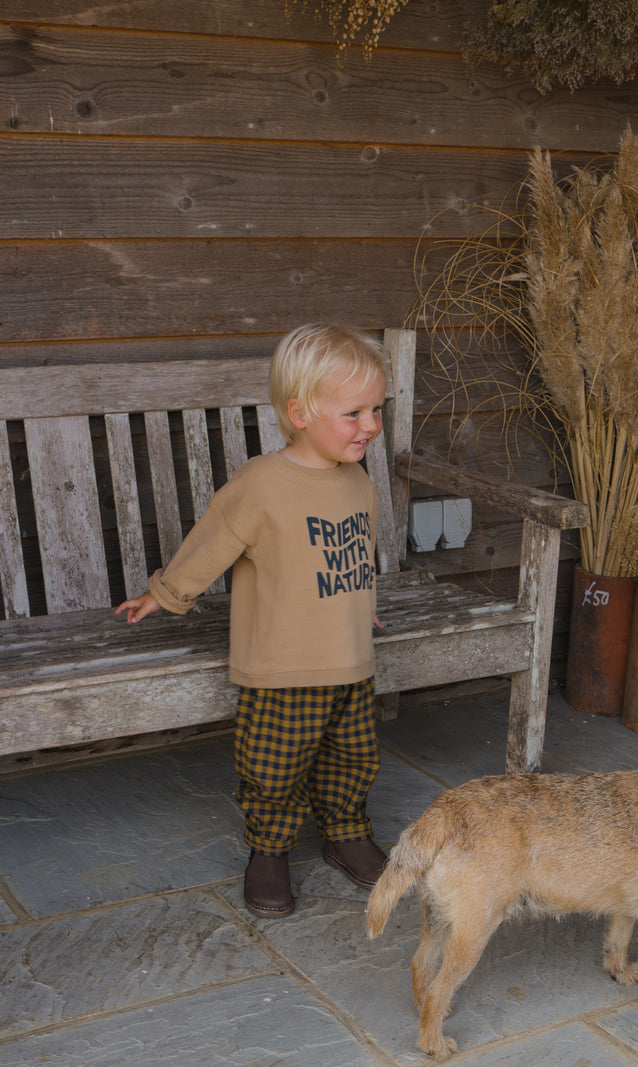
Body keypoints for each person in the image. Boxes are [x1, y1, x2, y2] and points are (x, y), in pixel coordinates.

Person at [116, 323, 389, 917]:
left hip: (348, 659)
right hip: (282, 666)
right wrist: (162, 593)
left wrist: (363, 609)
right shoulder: (261, 485)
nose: (370, 425)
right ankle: (269, 850)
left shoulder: (357, 481)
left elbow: (358, 554)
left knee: (353, 754)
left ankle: (346, 833)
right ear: (299, 412)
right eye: (354, 412)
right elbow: (211, 543)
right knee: (276, 763)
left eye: (376, 409)